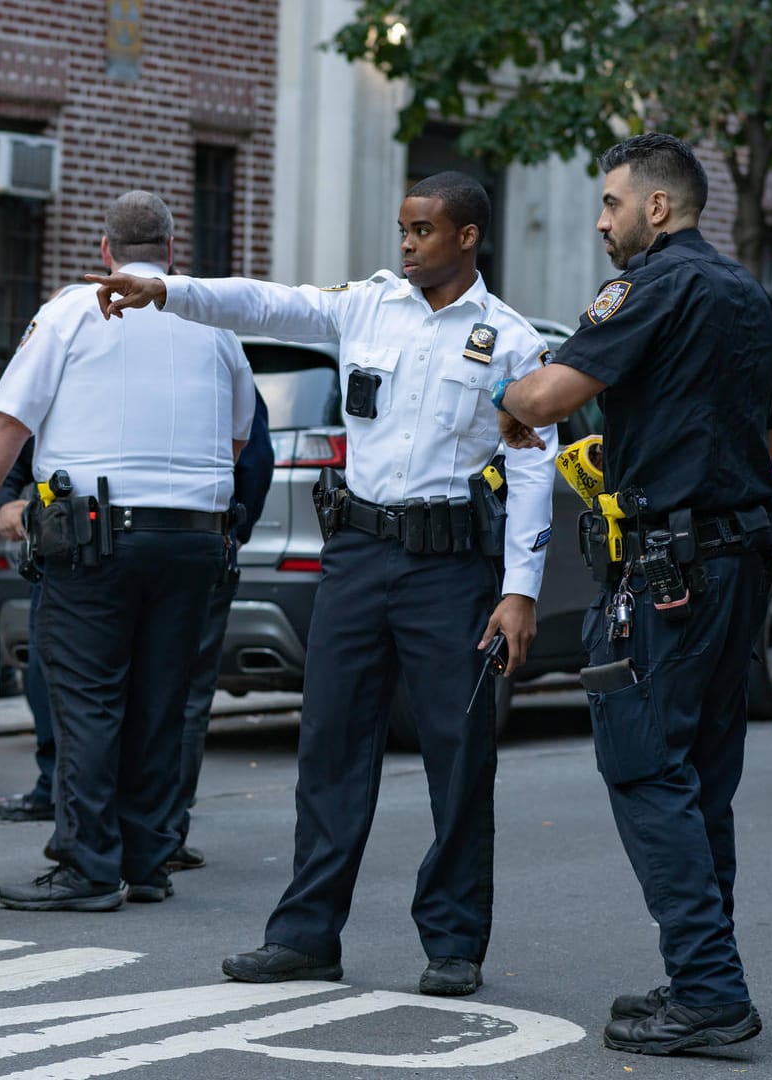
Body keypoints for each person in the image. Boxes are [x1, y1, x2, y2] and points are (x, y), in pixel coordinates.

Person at [90, 171, 557, 996]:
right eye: (404, 229)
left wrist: (520, 589)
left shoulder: (510, 341)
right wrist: (165, 288)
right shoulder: (366, 305)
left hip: (450, 569)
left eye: (423, 232)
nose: (407, 245)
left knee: (459, 757)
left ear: (468, 237)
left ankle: (453, 942)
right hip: (357, 556)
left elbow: (530, 469)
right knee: (329, 751)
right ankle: (306, 935)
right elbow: (266, 304)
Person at [491, 133, 772, 1054]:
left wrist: (507, 389)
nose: (602, 221)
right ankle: (703, 975)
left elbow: (545, 399)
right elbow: (761, 445)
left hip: (672, 569)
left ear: (658, 208)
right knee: (702, 773)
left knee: (642, 762)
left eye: (612, 203)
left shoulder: (652, 285)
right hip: (738, 560)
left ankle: (707, 989)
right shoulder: (749, 295)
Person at [0, 190, 255, 912]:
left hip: (93, 543)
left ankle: (89, 865)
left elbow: (9, 418)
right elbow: (242, 430)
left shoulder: (70, 311)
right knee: (162, 700)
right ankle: (148, 860)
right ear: (170, 248)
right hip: (193, 540)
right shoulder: (209, 317)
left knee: (89, 701)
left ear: (105, 251)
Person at [162, 386, 273, 872]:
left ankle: (109, 832)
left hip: (116, 545)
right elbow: (255, 461)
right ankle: (163, 832)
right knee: (187, 697)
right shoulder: (221, 362)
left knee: (116, 689)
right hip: (205, 543)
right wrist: (236, 532)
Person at [0, 437, 57, 825]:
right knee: (44, 676)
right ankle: (54, 786)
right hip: (63, 549)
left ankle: (153, 810)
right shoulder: (58, 379)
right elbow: (10, 454)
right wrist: (1, 505)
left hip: (132, 547)